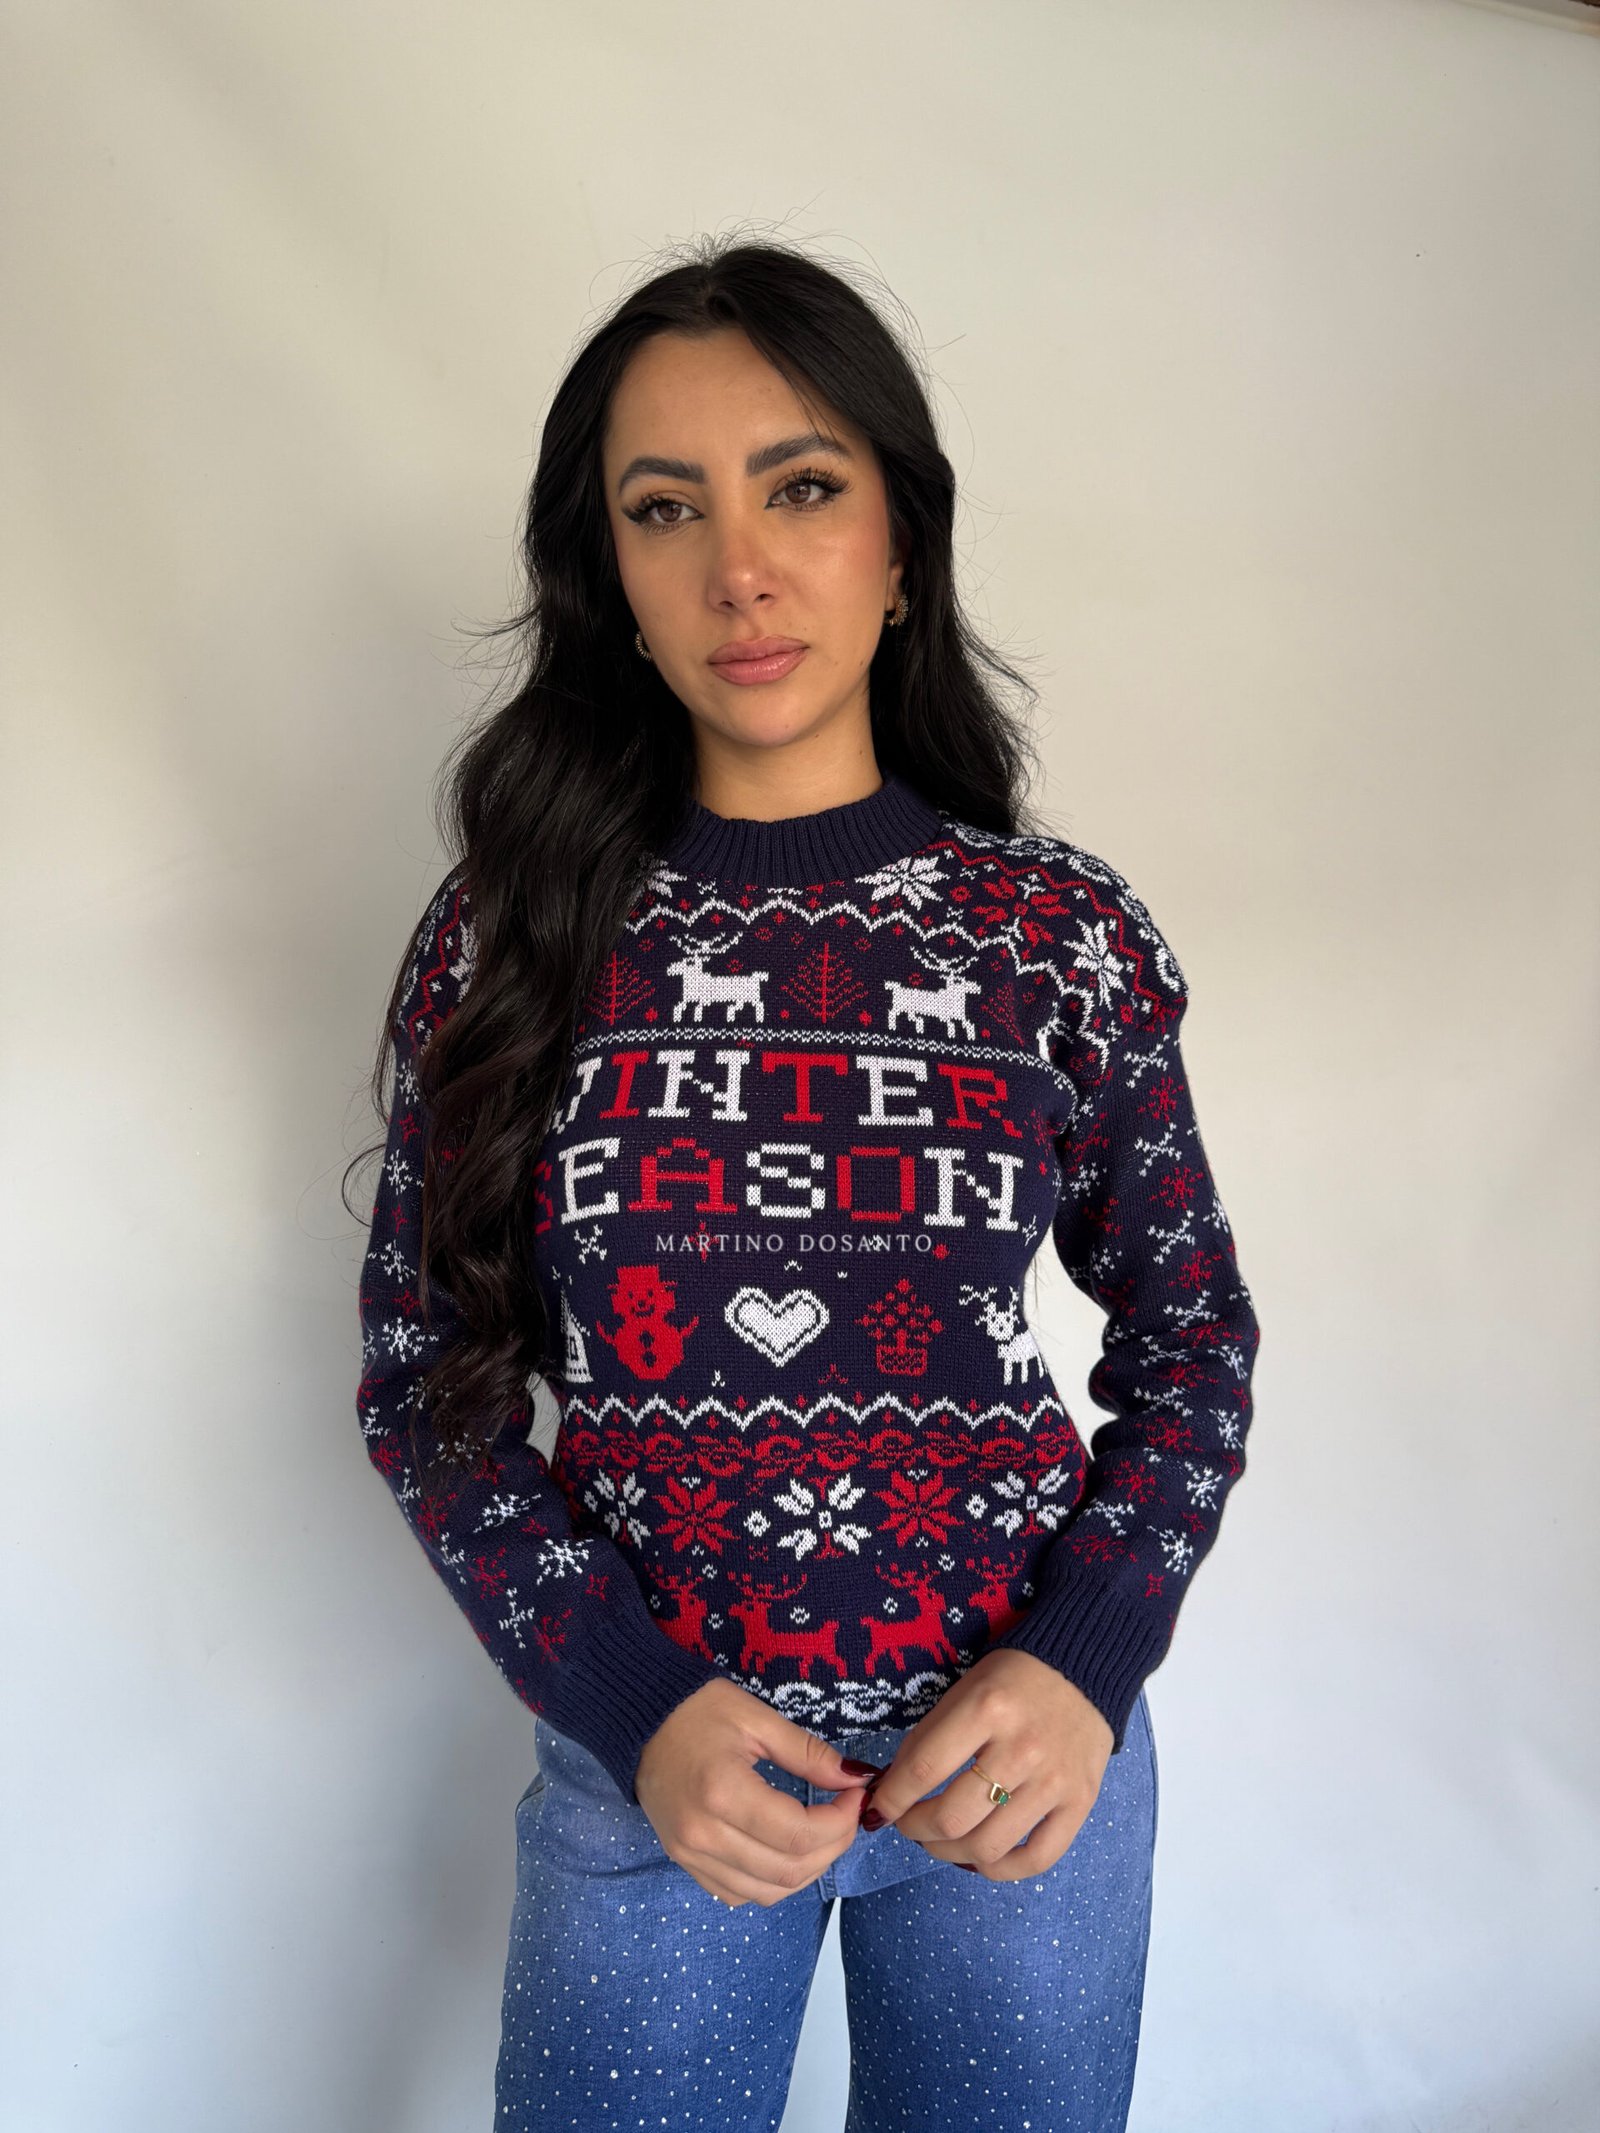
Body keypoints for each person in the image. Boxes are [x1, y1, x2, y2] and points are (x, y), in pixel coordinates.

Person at [351, 236, 1261, 2133]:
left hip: (1014, 1781)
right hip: (658, 1780)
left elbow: (1195, 1345)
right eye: (664, 507)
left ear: (902, 543)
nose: (740, 569)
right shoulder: (515, 933)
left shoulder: (1054, 935)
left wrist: (1084, 1661)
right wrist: (630, 1700)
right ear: (610, 574)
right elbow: (426, 1386)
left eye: (803, 487)